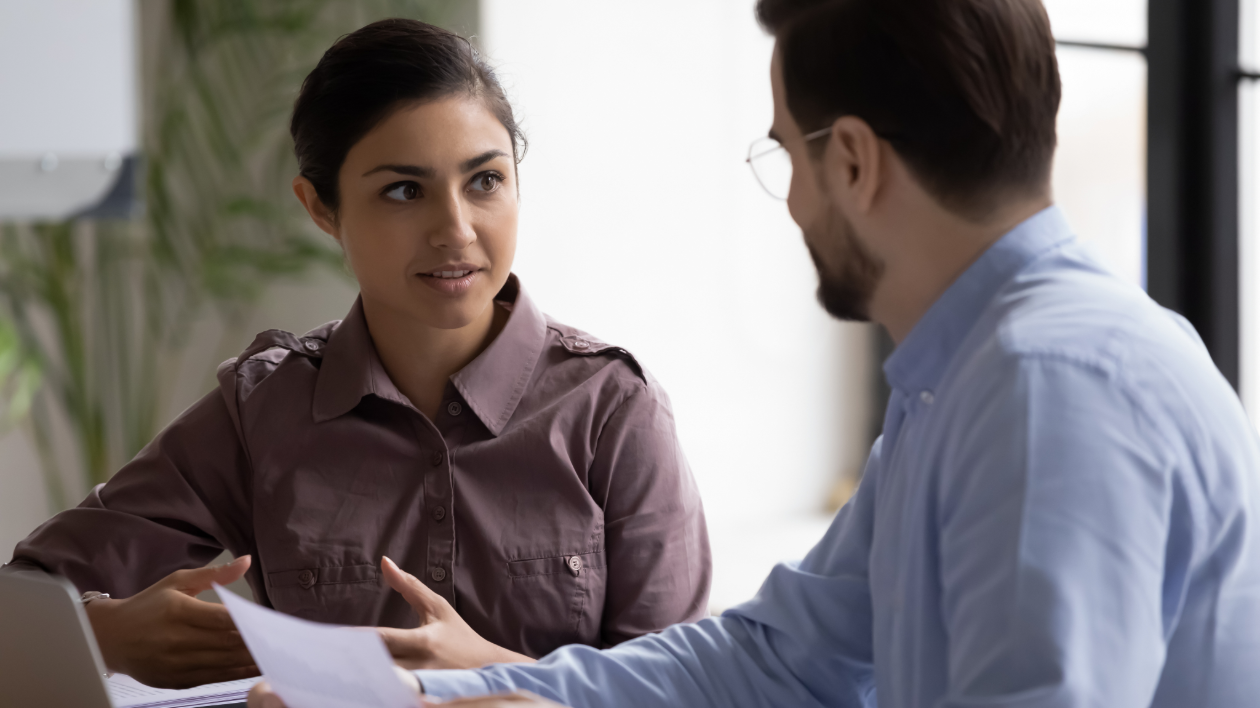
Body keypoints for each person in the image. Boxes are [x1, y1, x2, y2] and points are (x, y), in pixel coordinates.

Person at [248, 0, 1260, 706]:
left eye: (784, 152)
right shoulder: (963, 380)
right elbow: (779, 665)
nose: (792, 203)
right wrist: (470, 695)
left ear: (854, 161)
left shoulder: (1050, 391)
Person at [2, 19, 711, 690]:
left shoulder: (613, 411)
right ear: (320, 208)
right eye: (404, 190)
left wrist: (494, 672)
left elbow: (686, 691)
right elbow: (24, 599)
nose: (456, 230)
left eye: (485, 180)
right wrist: (105, 634)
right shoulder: (264, 411)